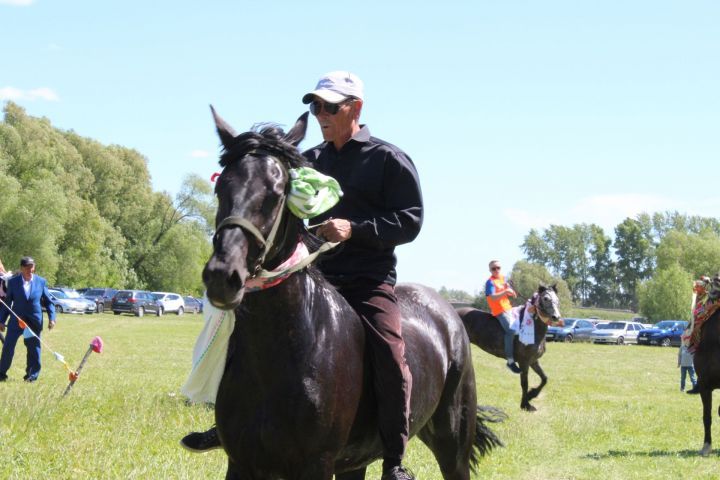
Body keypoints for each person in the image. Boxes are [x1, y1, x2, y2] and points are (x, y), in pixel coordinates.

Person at [182, 71, 423, 480]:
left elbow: (410, 220)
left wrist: (355, 229)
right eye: (316, 106)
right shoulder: (307, 161)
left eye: (331, 106)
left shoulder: (388, 159)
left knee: (389, 349)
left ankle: (394, 457)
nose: (321, 114)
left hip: (366, 280)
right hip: (311, 274)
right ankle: (231, 425)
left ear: (356, 108)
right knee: (237, 332)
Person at [0, 257, 56, 382]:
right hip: (16, 320)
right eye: (27, 267)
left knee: (34, 349)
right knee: (8, 347)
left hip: (34, 321)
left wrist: (52, 318)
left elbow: (48, 302)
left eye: (31, 266)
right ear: (21, 268)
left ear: (34, 267)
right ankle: (1, 374)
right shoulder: (13, 282)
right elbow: (7, 303)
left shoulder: (41, 282)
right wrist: (2, 320)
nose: (30, 269)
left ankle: (31, 376)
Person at [485, 260, 521, 374]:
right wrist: (506, 291)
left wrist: (512, 293)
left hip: (508, 308)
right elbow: (494, 297)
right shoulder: (490, 282)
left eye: (498, 268)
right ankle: (510, 361)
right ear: (490, 270)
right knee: (510, 331)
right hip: (499, 310)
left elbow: (508, 290)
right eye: (493, 268)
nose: (496, 270)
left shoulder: (503, 278)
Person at [679, 328, 699, 394]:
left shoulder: (692, 348)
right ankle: (682, 388)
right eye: (686, 340)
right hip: (683, 366)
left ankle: (695, 389)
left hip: (690, 366)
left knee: (693, 378)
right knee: (683, 378)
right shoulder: (682, 347)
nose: (687, 341)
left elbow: (695, 356)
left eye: (688, 340)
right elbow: (680, 355)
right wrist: (679, 363)